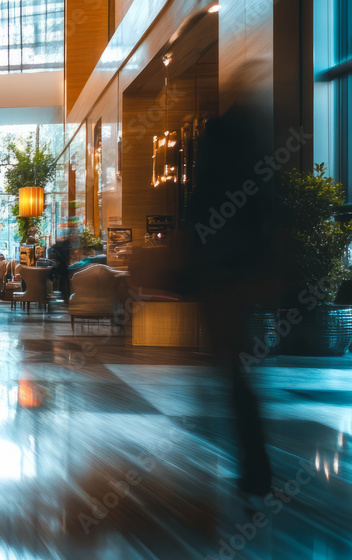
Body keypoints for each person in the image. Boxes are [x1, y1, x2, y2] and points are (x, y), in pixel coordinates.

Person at [183, 61, 274, 501]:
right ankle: (254, 464)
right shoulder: (259, 135)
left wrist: (191, 249)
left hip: (221, 266)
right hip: (246, 263)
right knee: (237, 361)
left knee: (230, 362)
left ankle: (251, 465)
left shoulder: (220, 133)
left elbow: (203, 199)